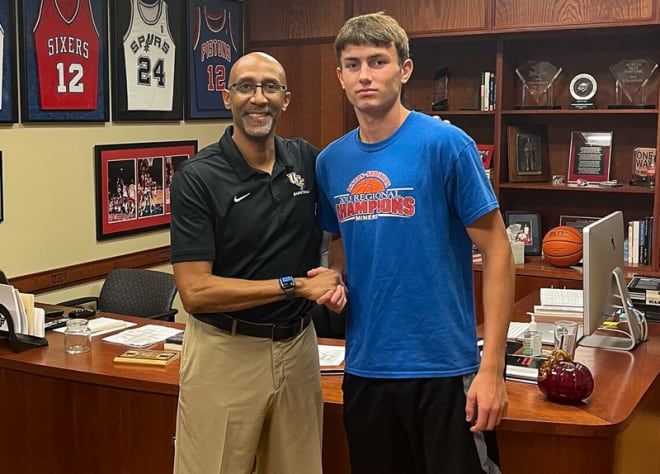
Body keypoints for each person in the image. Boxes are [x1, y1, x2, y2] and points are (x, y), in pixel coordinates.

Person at [314, 12, 515, 474]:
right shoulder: (331, 161)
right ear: (340, 75)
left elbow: (498, 252)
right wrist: (336, 281)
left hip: (446, 369)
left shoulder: (446, 145)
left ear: (404, 70)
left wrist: (492, 370)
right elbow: (340, 242)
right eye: (353, 64)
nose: (365, 75)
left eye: (378, 61)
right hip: (366, 370)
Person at [170, 51, 346, 474]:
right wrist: (296, 286)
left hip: (298, 348)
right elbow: (195, 292)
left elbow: (344, 221)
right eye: (246, 87)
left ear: (286, 99)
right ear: (227, 97)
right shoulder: (197, 178)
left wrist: (336, 273)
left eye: (270, 87)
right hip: (224, 350)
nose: (258, 98)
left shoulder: (306, 160)